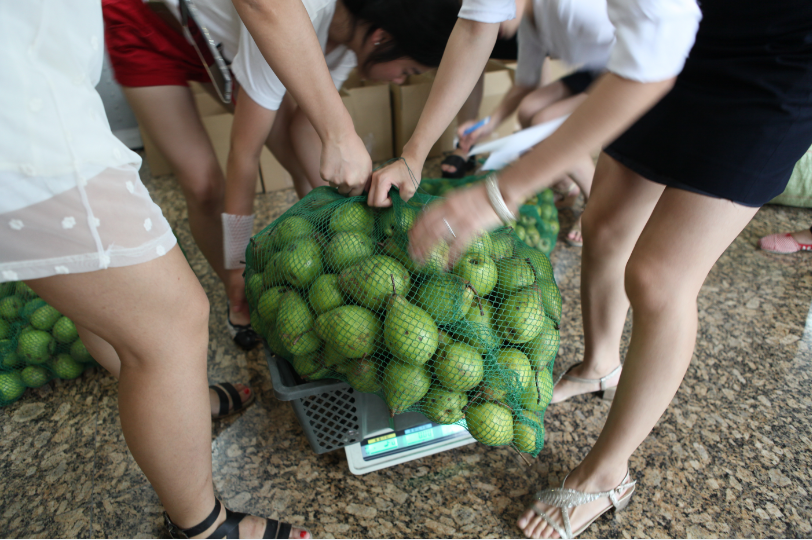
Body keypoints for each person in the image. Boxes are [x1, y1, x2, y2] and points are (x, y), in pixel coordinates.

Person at [368, 0, 812, 538]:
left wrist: (499, 194)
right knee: (603, 224)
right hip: (694, 39)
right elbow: (475, 25)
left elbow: (650, 63)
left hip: (779, 60)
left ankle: (607, 475)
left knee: (658, 279)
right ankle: (600, 364)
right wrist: (415, 152)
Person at [2, 1, 316, 537]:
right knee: (172, 323)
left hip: (35, 95)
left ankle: (184, 404)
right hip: (26, 127)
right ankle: (202, 526)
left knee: (102, 292)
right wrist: (340, 130)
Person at [103, 0, 458, 353]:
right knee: (205, 186)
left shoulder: (348, 45)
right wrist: (237, 264)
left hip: (216, 42)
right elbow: (244, 158)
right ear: (381, 38)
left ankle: (311, 245)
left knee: (297, 150)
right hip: (148, 23)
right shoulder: (286, 21)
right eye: (407, 71)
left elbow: (305, 127)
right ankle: (234, 292)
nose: (399, 80)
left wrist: (340, 217)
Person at [455, 0, 617, 246]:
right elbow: (526, 83)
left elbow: (636, 49)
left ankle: (596, 202)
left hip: (623, 74)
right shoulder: (530, 22)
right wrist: (490, 123)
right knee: (529, 109)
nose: (487, 22)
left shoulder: (571, 7)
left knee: (545, 122)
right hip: (593, 70)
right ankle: (566, 183)